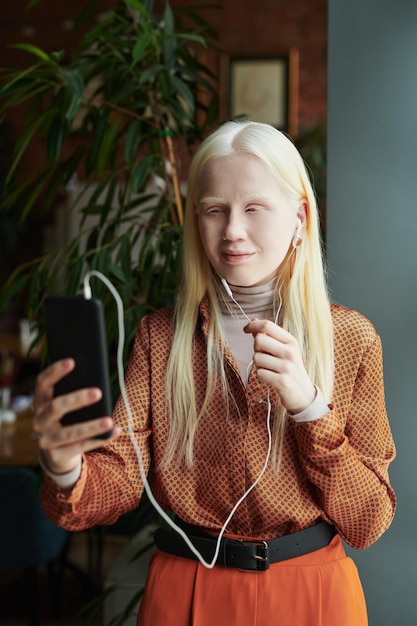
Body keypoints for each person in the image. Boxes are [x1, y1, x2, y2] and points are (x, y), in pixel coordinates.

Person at [32, 120, 396, 626]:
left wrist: (311, 408)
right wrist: (63, 465)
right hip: (186, 591)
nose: (231, 231)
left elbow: (369, 521)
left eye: (253, 209)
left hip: (312, 595)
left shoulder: (352, 340)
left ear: (299, 218)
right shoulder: (159, 338)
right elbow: (113, 484)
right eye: (213, 210)